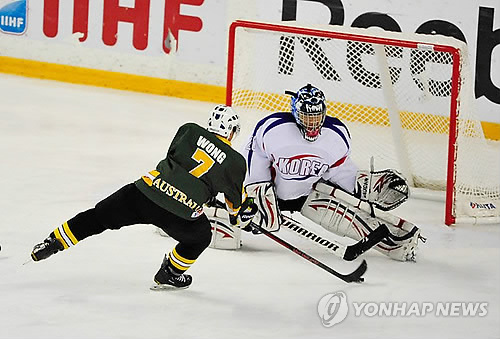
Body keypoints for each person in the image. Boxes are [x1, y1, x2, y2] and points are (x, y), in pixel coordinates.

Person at [30, 104, 257, 289]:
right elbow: (233, 206)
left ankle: (54, 241)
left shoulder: (189, 130)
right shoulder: (235, 162)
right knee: (200, 238)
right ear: (231, 131)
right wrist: (237, 216)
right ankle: (169, 273)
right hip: (180, 214)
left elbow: (175, 159)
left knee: (98, 217)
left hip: (145, 192)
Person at [240, 84, 422, 261]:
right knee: (242, 215)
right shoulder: (274, 129)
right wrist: (255, 192)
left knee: (352, 223)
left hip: (307, 195)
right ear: (296, 113)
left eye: (317, 117)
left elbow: (338, 171)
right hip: (271, 194)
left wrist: (362, 187)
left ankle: (398, 246)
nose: (312, 123)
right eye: (306, 117)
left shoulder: (335, 136)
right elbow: (254, 155)